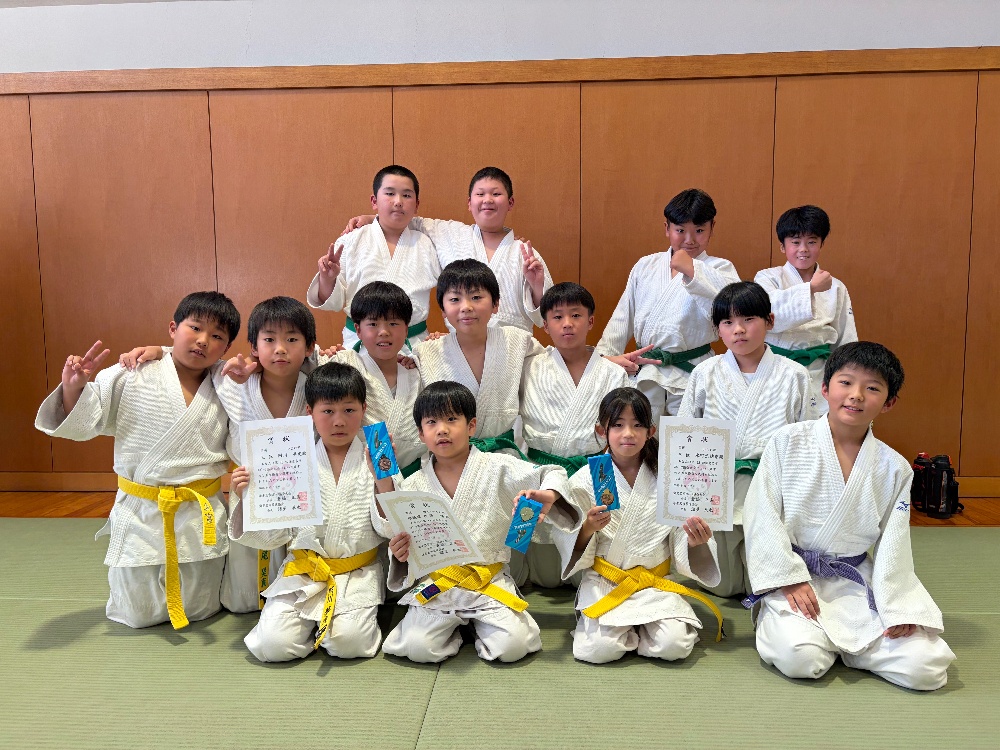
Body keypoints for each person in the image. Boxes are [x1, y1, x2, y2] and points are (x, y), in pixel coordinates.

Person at [743, 342, 956, 690]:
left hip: (853, 581)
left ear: (888, 403)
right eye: (846, 382)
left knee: (927, 667)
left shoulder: (895, 468)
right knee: (801, 658)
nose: (856, 395)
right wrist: (787, 578)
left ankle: (847, 647)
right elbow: (761, 515)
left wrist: (899, 608)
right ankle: (825, 640)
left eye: (872, 388)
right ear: (825, 388)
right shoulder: (786, 442)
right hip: (796, 578)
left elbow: (895, 545)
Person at [35, 291, 241, 630]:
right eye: (195, 328)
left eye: (217, 336)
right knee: (137, 611)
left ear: (227, 347)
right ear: (173, 328)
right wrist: (73, 388)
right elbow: (88, 420)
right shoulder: (131, 372)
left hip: (197, 512)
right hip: (142, 511)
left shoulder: (229, 384)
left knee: (200, 607)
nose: (203, 340)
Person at [117, 296, 320, 613]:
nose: (280, 349)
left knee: (302, 583)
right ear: (254, 347)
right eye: (269, 340)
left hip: (303, 492)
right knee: (244, 597)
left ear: (309, 347)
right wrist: (161, 351)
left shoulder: (318, 386)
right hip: (250, 489)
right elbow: (192, 359)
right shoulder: (230, 381)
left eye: (292, 340)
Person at [370, 381, 579, 663]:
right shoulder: (414, 483)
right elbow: (390, 528)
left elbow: (552, 472)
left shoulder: (498, 467)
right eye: (431, 422)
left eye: (451, 419)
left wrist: (549, 494)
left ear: (471, 426)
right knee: (417, 648)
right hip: (439, 584)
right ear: (421, 433)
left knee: (513, 646)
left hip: (487, 581)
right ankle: (457, 629)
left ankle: (474, 627)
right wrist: (400, 551)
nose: (442, 429)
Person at [551, 388, 724, 664]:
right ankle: (631, 630)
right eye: (618, 425)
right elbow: (570, 536)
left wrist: (695, 540)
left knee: (674, 646)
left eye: (637, 425)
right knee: (598, 650)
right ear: (601, 430)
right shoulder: (586, 479)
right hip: (607, 582)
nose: (628, 433)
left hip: (653, 584)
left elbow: (681, 533)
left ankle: (634, 630)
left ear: (650, 431)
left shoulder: (671, 476)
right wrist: (588, 528)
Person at [227, 363, 385, 661]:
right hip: (302, 572)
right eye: (328, 411)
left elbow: (391, 528)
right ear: (309, 411)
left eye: (349, 410)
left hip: (356, 573)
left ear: (364, 409)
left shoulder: (378, 455)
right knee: (272, 646)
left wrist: (383, 484)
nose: (339, 421)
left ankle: (334, 628)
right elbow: (273, 536)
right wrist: (246, 497)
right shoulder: (291, 459)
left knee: (349, 644)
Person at [678, 281, 816, 597]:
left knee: (765, 584)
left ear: (769, 321)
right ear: (718, 330)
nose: (738, 330)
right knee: (723, 585)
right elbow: (686, 437)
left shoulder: (794, 374)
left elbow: (807, 439)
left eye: (748, 319)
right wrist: (686, 497)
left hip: (770, 485)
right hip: (716, 486)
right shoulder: (705, 373)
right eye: (728, 322)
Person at [343, 165, 552, 332]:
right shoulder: (451, 234)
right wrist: (373, 218)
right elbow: (411, 221)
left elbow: (547, 314)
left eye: (496, 193)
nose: (487, 200)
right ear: (469, 203)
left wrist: (537, 286)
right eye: (480, 194)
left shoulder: (525, 253)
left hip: (511, 346)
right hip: (461, 346)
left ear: (510, 202)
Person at [520, 282, 629, 587]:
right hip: (540, 468)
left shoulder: (613, 373)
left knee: (596, 560)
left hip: (596, 470)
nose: (567, 323)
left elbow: (622, 430)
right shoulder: (528, 367)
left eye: (576, 315)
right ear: (545, 326)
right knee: (541, 573)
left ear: (591, 321)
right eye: (557, 317)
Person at [596, 188, 740, 420]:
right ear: (667, 228)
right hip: (646, 370)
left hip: (693, 370)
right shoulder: (646, 266)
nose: (689, 240)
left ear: (712, 228)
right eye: (680, 230)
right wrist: (606, 357)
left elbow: (733, 311)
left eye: (699, 231)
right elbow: (623, 316)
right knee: (643, 432)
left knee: (686, 436)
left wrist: (693, 271)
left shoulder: (721, 268)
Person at [413, 259, 544, 456]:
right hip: (449, 458)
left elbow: (551, 367)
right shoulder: (426, 353)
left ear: (495, 304)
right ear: (443, 310)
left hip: (506, 457)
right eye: (455, 299)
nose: (466, 307)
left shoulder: (518, 342)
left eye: (476, 297)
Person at [307, 165, 440, 351]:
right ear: (374, 201)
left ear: (417, 205)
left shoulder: (427, 244)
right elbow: (333, 302)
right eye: (390, 193)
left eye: (406, 195)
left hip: (413, 347)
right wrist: (327, 279)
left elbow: (450, 294)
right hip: (360, 347)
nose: (398, 201)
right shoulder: (351, 241)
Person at [754, 205, 857, 412]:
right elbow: (768, 317)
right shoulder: (767, 278)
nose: (803, 249)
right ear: (782, 246)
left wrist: (847, 378)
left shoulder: (836, 287)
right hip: (775, 368)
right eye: (795, 242)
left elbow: (845, 337)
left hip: (819, 371)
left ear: (821, 244)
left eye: (811, 242)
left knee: (816, 422)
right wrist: (810, 289)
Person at [319, 281, 426, 477]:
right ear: (358, 330)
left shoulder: (419, 370)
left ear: (406, 328)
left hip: (416, 476)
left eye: (393, 323)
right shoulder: (344, 364)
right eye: (373, 324)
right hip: (360, 477)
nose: (384, 331)